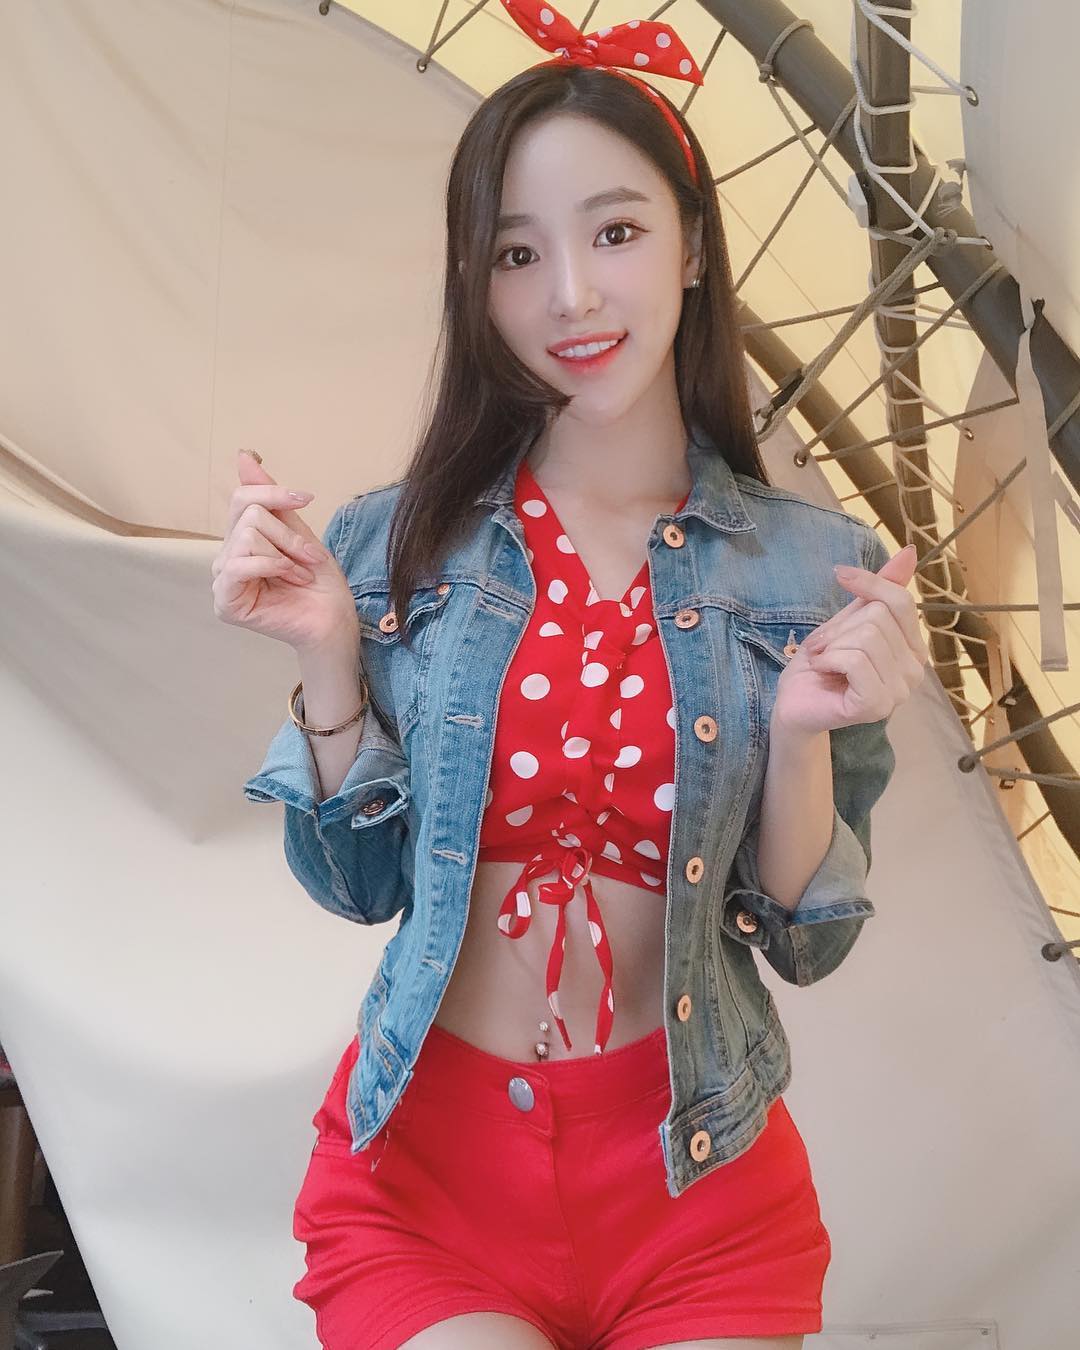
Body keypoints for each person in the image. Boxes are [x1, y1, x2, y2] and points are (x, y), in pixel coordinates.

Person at [213, 5, 928, 1347]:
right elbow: (359, 887)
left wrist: (801, 734)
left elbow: (806, 939)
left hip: (695, 1184)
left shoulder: (808, 570)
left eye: (615, 233)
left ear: (693, 246)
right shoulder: (391, 548)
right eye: (518, 253)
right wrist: (327, 655)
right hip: (427, 1180)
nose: (572, 298)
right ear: (476, 286)